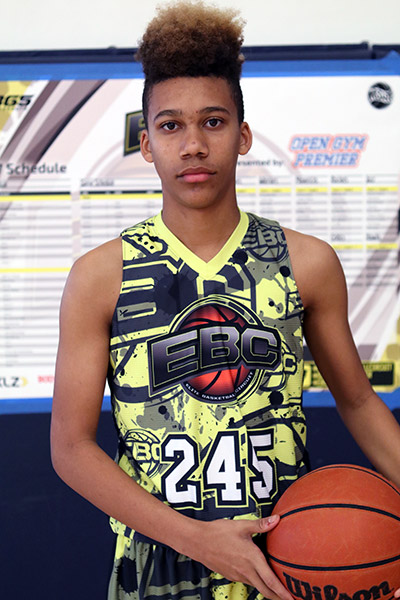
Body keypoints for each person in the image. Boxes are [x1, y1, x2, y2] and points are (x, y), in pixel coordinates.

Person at [50, 2, 400, 599]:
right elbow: (70, 447)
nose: (192, 145)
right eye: (170, 126)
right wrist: (196, 538)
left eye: (212, 122)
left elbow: (360, 401)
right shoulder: (101, 276)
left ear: (242, 136)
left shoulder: (306, 262)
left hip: (286, 567)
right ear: (146, 144)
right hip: (156, 572)